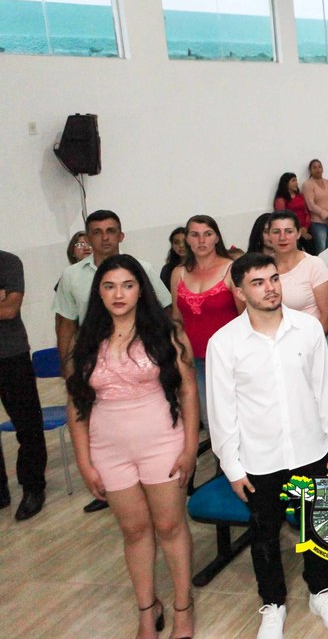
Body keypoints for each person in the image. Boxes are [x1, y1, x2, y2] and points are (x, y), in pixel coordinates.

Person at [205, 252, 328, 639]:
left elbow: (322, 387)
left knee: (318, 527)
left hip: (310, 449)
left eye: (273, 279)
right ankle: (273, 603)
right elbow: (221, 410)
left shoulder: (307, 328)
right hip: (259, 458)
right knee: (264, 534)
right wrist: (232, 466)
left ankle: (320, 591)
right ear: (239, 291)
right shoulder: (224, 343)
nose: (270, 288)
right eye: (257, 282)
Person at [66, 255, 199, 639]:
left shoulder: (167, 333)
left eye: (127, 285)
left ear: (141, 289)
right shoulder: (85, 341)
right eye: (109, 286)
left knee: (170, 525)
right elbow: (76, 405)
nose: (118, 294)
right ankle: (146, 608)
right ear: (98, 293)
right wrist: (84, 462)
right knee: (135, 531)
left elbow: (188, 391)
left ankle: (183, 607)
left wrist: (191, 447)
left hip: (162, 442)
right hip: (109, 451)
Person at [54, 210, 174, 515]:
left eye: (110, 231)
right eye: (97, 232)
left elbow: (165, 311)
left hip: (143, 365)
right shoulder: (71, 277)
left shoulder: (143, 269)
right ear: (87, 238)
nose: (104, 237)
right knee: (102, 430)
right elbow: (65, 323)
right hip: (96, 366)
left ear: (121, 235)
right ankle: (113, 482)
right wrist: (68, 367)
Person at [169, 215, 239, 427]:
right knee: (210, 420)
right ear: (187, 239)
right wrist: (179, 354)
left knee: (236, 416)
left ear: (216, 237)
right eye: (195, 235)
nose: (201, 240)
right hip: (195, 359)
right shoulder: (178, 273)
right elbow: (177, 319)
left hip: (230, 358)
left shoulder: (232, 269)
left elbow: (245, 316)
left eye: (207, 234)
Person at [0, 248, 47, 521]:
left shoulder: (8, 262)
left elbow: (9, 309)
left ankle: (33, 487)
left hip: (11, 356)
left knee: (28, 426)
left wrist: (5, 301)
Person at [268, 210, 328, 332]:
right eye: (276, 232)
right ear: (269, 235)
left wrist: (312, 341)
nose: (282, 237)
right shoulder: (264, 267)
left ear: (298, 234)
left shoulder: (314, 264)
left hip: (310, 337)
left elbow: (327, 315)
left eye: (289, 231)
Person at [301, 159, 328, 255]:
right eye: (314, 167)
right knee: (321, 249)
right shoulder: (308, 184)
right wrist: (326, 215)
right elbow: (311, 205)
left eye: (319, 167)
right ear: (310, 170)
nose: (317, 169)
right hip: (318, 223)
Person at [273, 173, 313, 249]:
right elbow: (282, 218)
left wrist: (305, 227)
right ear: (286, 183)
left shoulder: (300, 196)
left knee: (312, 249)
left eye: (296, 180)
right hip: (291, 230)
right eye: (293, 181)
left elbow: (306, 212)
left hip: (305, 229)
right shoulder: (281, 200)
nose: (296, 183)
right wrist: (298, 229)